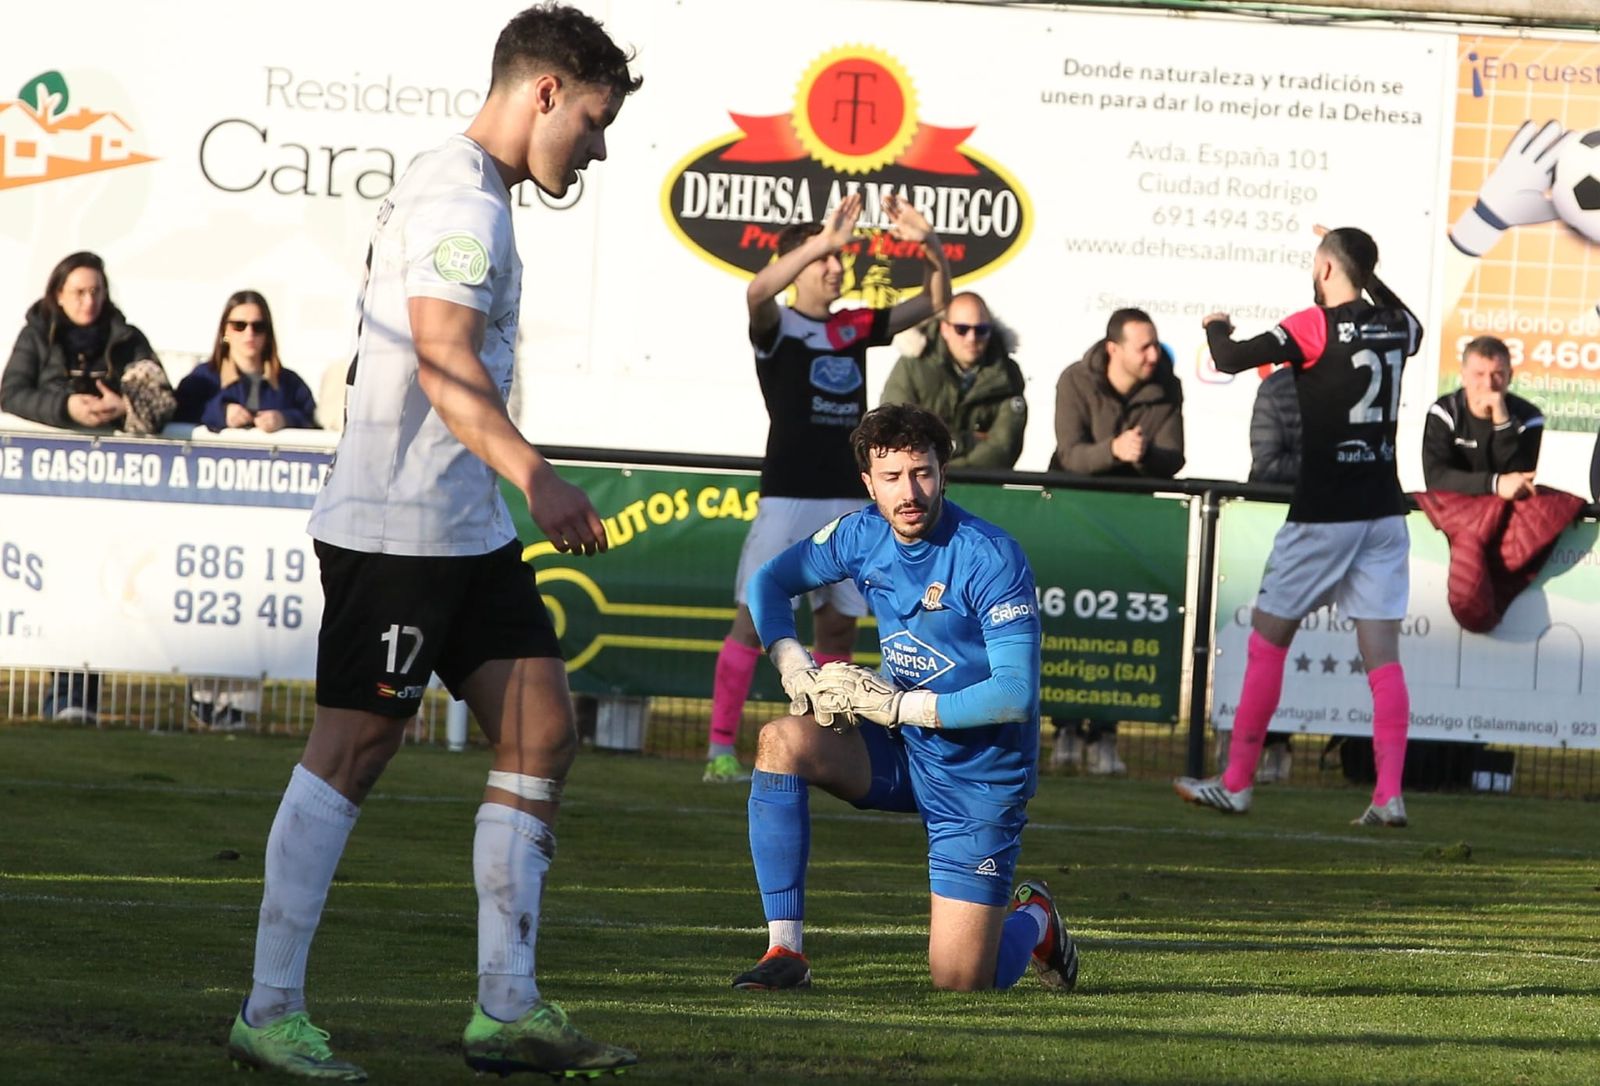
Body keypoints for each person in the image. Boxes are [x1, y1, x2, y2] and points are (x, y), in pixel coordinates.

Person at [225, 5, 641, 1081]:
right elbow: (446, 358)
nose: (597, 147)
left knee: (541, 730)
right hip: (398, 528)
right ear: (544, 92)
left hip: (463, 530)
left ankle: (505, 1011)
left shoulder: (476, 191)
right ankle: (270, 1011)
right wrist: (536, 474)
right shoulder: (462, 193)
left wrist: (505, 493)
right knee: (355, 751)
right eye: (594, 121)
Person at [731, 403, 1078, 994]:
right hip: (900, 749)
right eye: (891, 478)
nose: (908, 491)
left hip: (980, 773)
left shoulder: (989, 555)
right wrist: (792, 662)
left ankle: (1034, 918)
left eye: (921, 472)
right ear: (868, 483)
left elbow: (1014, 693)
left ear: (943, 471)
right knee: (780, 741)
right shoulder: (861, 533)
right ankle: (785, 949)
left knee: (961, 979)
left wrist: (899, 707)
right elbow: (769, 581)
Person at [1174, 226, 1423, 827]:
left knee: (1267, 638)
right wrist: (1364, 271)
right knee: (1383, 657)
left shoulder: (1314, 324)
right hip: (1384, 512)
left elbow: (1229, 359)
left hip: (1324, 512)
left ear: (1328, 270)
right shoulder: (1398, 327)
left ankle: (1236, 784)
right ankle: (1389, 794)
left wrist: (1213, 325)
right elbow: (1403, 316)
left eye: (1319, 265)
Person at [701, 190, 952, 784]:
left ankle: (822, 743)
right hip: (789, 497)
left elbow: (938, 301)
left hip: (851, 497)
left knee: (839, 626)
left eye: (840, 259)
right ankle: (718, 750)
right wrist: (823, 239)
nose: (838, 267)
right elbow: (757, 292)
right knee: (755, 618)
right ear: (801, 263)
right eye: (826, 261)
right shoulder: (778, 324)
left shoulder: (853, 326)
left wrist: (930, 245)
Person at [1045, 307, 1185, 775]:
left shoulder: (1167, 383)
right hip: (1073, 520)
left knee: (1119, 628)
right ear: (1113, 350)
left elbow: (1174, 455)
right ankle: (1063, 730)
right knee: (1065, 624)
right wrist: (1115, 451)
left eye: (1154, 344)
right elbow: (1070, 454)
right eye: (1143, 346)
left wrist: (1142, 456)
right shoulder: (1074, 381)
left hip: (1131, 524)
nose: (1153, 354)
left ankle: (1106, 736)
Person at [2, 250, 174, 435]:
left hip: (116, 453)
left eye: (95, 291)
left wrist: (125, 408)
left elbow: (164, 400)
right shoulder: (37, 335)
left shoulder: (128, 339)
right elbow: (11, 394)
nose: (89, 301)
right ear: (59, 295)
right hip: (49, 449)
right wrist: (66, 407)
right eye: (79, 293)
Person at [879, 291, 1027, 469]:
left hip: (982, 487)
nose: (972, 338)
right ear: (945, 329)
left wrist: (941, 459)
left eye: (981, 330)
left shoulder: (1008, 374)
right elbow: (896, 435)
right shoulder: (912, 366)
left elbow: (1004, 448)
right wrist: (968, 442)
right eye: (962, 330)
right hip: (920, 485)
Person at [1246, 365, 1301, 784]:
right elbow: (1267, 464)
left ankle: (1270, 751)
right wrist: (1329, 465)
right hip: (1271, 526)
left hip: (1335, 528)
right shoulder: (1278, 389)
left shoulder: (1350, 385)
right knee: (1263, 642)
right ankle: (1242, 759)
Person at [174, 291, 319, 434]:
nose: (249, 333)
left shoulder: (290, 383)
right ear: (225, 330)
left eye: (258, 326)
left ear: (268, 333)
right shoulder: (202, 378)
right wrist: (220, 413)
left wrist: (284, 419)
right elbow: (178, 413)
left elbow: (313, 419)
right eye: (239, 325)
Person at [1421, 336, 1541, 499]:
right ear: (1463, 376)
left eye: (1497, 374)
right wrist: (1495, 483)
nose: (1488, 384)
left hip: (1510, 513)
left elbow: (1520, 480)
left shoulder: (1529, 417)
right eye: (1479, 374)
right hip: (1455, 510)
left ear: (1510, 376)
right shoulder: (1445, 412)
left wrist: (1502, 422)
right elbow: (1436, 479)